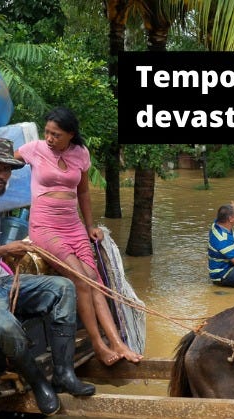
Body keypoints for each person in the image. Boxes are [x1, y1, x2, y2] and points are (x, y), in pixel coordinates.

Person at [0, 137, 95, 415]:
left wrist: (7, 255)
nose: (2, 175)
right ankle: (38, 383)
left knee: (63, 288)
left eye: (7, 169)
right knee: (8, 328)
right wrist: (4, 248)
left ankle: (63, 373)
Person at [15, 107, 142, 366]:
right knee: (82, 280)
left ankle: (117, 343)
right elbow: (2, 161)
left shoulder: (80, 153)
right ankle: (98, 345)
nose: (49, 138)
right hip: (44, 227)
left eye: (56, 134)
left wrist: (89, 226)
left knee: (94, 280)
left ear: (71, 134)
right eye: (47, 132)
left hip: (72, 226)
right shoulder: (34, 149)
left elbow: (83, 193)